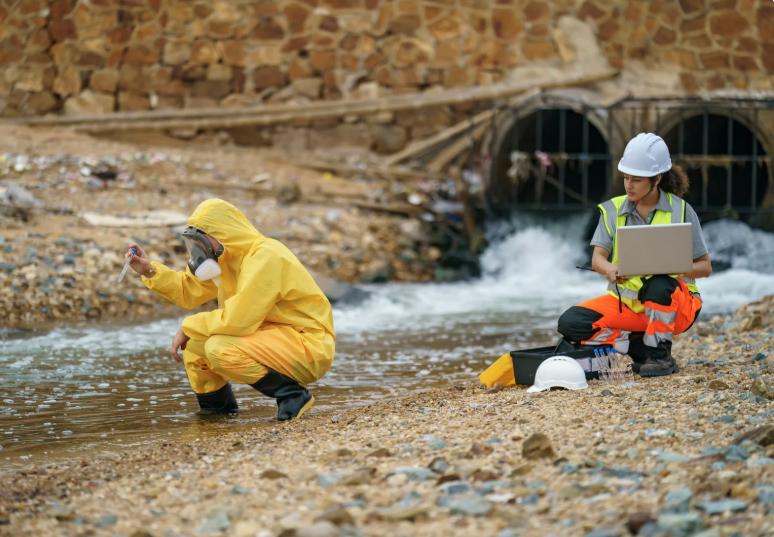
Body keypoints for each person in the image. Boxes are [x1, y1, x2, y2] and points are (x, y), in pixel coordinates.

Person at [124, 198, 335, 420]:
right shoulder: (223, 258)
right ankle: (217, 414)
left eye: (201, 241)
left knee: (218, 347)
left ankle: (293, 396)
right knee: (196, 348)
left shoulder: (266, 256)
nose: (198, 249)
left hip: (308, 347)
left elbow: (238, 321)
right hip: (271, 338)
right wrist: (148, 271)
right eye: (194, 242)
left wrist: (188, 326)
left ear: (222, 233)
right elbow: (188, 291)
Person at [557, 133, 712, 377]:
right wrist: (610, 269)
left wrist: (675, 266)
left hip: (677, 306)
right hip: (628, 306)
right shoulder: (612, 210)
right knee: (571, 322)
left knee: (659, 285)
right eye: (626, 177)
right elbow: (597, 258)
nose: (628, 184)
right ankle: (635, 346)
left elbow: (705, 267)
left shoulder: (682, 211)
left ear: (656, 179)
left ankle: (661, 357)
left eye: (636, 179)